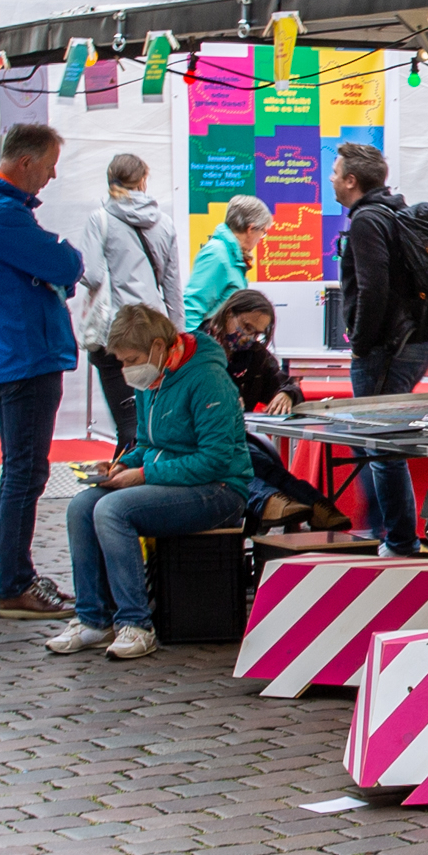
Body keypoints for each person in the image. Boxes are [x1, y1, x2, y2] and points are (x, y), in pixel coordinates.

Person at [50, 303, 256, 660]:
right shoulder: (153, 378)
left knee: (113, 511)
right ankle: (92, 619)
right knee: (82, 506)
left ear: (159, 348)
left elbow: (215, 460)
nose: (127, 369)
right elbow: (146, 443)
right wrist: (121, 465)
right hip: (176, 481)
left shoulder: (208, 380)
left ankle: (135, 623)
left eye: (131, 359)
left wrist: (143, 475)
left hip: (220, 490)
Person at [0, 121, 85, 620]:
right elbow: (64, 264)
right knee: (25, 471)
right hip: (24, 355)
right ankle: (14, 581)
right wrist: (60, 256)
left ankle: (19, 573)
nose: (52, 177)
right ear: (26, 161)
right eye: (50, 166)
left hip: (20, 352)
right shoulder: (0, 214)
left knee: (26, 470)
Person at [334, 143, 428, 557]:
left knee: (381, 446)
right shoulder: (394, 212)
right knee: (377, 443)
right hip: (410, 344)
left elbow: (373, 288)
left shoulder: (366, 221)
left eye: (335, 172)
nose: (330, 179)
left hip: (385, 349)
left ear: (351, 180)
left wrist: (360, 343)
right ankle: (388, 531)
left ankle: (398, 540)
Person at [84, 153, 186, 448]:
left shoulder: (100, 220)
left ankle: (123, 486)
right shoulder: (163, 223)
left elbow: (91, 275)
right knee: (152, 422)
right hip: (152, 335)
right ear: (144, 180)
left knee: (126, 423)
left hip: (114, 335)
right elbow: (172, 286)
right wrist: (176, 335)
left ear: (110, 181)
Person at [183, 195, 269, 325]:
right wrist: (196, 343)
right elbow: (192, 307)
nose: (261, 239)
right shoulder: (217, 254)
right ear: (250, 229)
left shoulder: (233, 256)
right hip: (206, 341)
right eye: (263, 232)